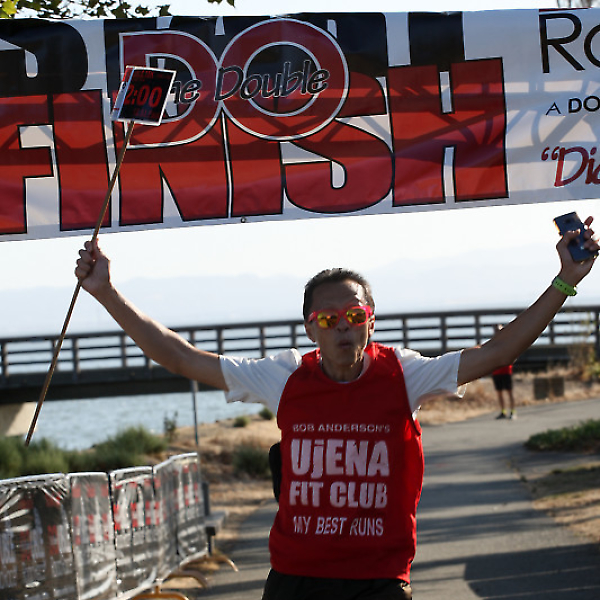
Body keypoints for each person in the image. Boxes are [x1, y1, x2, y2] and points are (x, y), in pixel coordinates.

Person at [75, 216, 598, 600]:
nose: (342, 326)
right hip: (296, 579)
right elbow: (181, 356)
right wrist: (106, 292)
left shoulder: (404, 373)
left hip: (379, 581)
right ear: (310, 328)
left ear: (371, 320)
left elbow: (499, 352)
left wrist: (566, 280)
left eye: (354, 314)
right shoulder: (284, 376)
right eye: (327, 319)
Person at [491, 324, 517, 419]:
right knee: (499, 393)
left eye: (500, 330)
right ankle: (503, 411)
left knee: (509, 392)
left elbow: (514, 354)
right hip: (496, 371)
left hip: (506, 371)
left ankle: (513, 412)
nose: (498, 332)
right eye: (496, 331)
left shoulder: (508, 342)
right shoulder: (492, 343)